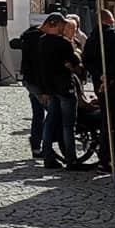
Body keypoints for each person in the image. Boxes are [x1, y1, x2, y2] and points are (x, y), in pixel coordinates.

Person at [83, 9, 115, 171]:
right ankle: (108, 157)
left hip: (99, 83)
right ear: (110, 20)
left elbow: (86, 60)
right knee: (113, 122)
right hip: (113, 83)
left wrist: (98, 76)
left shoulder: (91, 37)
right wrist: (107, 77)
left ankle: (106, 157)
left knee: (106, 120)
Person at [37, 14, 82, 170]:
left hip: (51, 88)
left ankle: (48, 156)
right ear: (55, 24)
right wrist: (73, 57)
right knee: (68, 125)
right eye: (62, 25)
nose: (64, 28)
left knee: (50, 122)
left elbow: (42, 68)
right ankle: (71, 159)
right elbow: (75, 61)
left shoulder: (42, 41)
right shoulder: (64, 43)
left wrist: (44, 90)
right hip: (64, 87)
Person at [16, 17, 47, 157]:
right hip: (36, 82)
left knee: (38, 114)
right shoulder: (40, 40)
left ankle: (36, 144)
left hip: (30, 80)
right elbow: (39, 65)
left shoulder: (30, 36)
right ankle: (41, 142)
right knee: (52, 113)